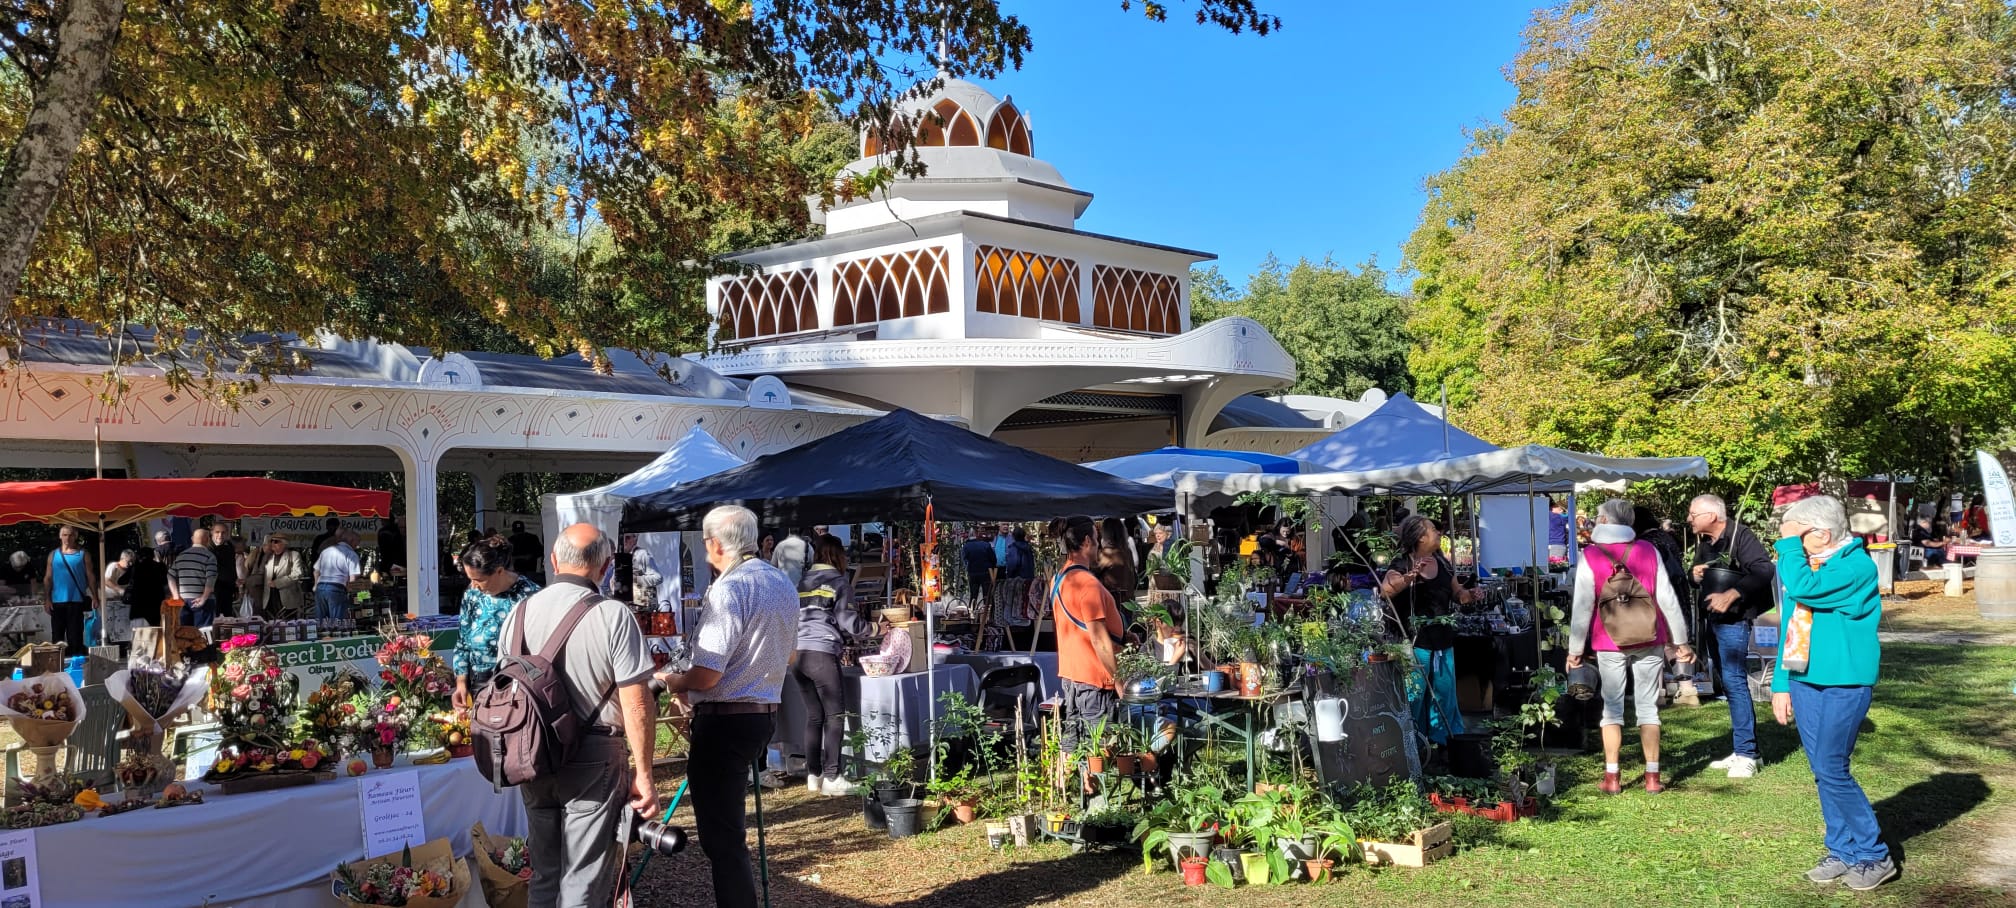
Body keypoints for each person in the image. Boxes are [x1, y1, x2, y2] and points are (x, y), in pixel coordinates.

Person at [507, 524, 657, 908]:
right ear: (606, 567)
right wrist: (644, 773)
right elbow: (637, 704)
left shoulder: (517, 614)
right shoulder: (613, 616)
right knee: (582, 879)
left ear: (554, 561)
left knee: (544, 873)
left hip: (530, 752)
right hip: (593, 755)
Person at [655, 505, 797, 908]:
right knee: (727, 830)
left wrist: (673, 682)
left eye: (704, 543)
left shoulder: (730, 588)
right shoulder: (781, 582)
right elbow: (789, 656)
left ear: (715, 544)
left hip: (726, 720)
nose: (704, 552)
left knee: (722, 837)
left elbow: (707, 675)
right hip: (762, 715)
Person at [1770, 495, 1895, 890]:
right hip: (1805, 679)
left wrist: (1788, 547)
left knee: (1831, 767)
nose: (1787, 542)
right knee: (1823, 770)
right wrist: (1780, 683)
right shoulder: (1811, 564)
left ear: (1821, 534)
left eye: (1795, 536)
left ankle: (1875, 855)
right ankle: (1842, 849)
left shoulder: (1855, 567)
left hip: (1845, 683)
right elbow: (1791, 624)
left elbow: (1805, 590)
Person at [1567, 499, 1693, 794]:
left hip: (1608, 639)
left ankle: (1612, 776)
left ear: (1607, 521)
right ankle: (1652, 777)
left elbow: (1583, 605)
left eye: (1599, 517)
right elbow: (1667, 598)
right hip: (1650, 635)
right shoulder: (1648, 550)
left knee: (1611, 708)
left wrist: (1575, 650)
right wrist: (1681, 641)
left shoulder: (1591, 555)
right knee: (1648, 708)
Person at [1687, 493, 1779, 778]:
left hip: (1734, 621)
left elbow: (1764, 570)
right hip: (1712, 620)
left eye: (1693, 514)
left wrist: (1733, 593)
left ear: (1713, 516)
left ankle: (1747, 754)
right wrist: (1695, 574)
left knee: (1735, 682)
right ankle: (1742, 749)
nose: (1689, 519)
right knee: (1726, 683)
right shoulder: (1706, 543)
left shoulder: (1742, 536)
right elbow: (1694, 578)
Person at [1378, 515, 1476, 748]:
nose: (1439, 532)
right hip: (1415, 642)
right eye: (1434, 529)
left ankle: (1443, 744)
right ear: (1421, 537)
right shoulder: (1402, 563)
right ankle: (1415, 745)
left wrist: (1467, 595)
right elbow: (1386, 590)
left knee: (1445, 695)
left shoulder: (1441, 561)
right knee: (1416, 696)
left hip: (1443, 640)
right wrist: (1410, 577)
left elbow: (1456, 591)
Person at [793, 535, 872, 796]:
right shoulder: (839, 582)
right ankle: (833, 777)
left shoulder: (802, 581)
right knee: (835, 716)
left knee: (814, 716)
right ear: (838, 556)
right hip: (821, 653)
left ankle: (813, 775)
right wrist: (873, 629)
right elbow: (849, 621)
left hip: (797, 655)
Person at [1050, 516, 1124, 758]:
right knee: (1099, 746)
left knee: (1072, 739)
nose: (1100, 545)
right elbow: (1098, 640)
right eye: (1097, 539)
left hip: (1072, 673)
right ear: (1085, 542)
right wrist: (1119, 680)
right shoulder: (1088, 584)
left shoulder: (1058, 579)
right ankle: (1095, 793)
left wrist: (1122, 634)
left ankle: (1065, 788)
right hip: (1095, 677)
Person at [453, 537, 539, 709]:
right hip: (478, 681)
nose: (474, 585)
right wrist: (461, 684)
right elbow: (463, 642)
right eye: (470, 579)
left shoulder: (530, 595)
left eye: (479, 580)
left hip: (516, 684)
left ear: (499, 571)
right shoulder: (472, 595)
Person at [43, 526, 97, 656]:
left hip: (76, 601)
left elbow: (90, 576)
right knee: (57, 636)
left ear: (76, 536)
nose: (67, 538)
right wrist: (47, 599)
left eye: (70, 535)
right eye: (65, 535)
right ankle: (57, 665)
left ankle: (76, 664)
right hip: (57, 601)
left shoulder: (83, 554)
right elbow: (48, 578)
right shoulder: (53, 555)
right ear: (60, 536)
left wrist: (95, 596)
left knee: (75, 636)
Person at [244, 534, 308, 619]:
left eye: (276, 541)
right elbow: (260, 573)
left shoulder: (293, 555)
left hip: (287, 597)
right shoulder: (268, 556)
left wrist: (278, 583)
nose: (273, 544)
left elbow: (297, 573)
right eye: (271, 541)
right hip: (269, 596)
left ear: (285, 543)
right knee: (271, 623)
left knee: (287, 623)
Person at [171, 528, 219, 628]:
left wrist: (176, 596)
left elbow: (170, 575)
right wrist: (203, 598)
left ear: (192, 539)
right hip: (203, 601)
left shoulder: (181, 556)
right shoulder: (210, 556)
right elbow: (210, 579)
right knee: (203, 635)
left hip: (183, 600)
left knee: (184, 634)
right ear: (207, 540)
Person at [313, 529, 363, 621]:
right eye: (357, 543)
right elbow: (353, 578)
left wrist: (315, 586)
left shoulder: (326, 551)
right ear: (352, 541)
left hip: (320, 588)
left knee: (321, 622)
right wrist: (354, 594)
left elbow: (316, 571)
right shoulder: (351, 554)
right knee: (337, 623)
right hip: (336, 589)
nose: (357, 546)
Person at [124, 547, 169, 629]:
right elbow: (165, 582)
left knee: (139, 635)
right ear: (152, 555)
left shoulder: (135, 568)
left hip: (138, 608)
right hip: (156, 606)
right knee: (157, 634)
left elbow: (121, 581)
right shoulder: (160, 567)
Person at [1093, 517, 1136, 601]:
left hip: (1113, 601)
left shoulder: (1106, 554)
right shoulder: (1127, 552)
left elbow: (1091, 575)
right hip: (1128, 601)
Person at [209, 524, 243, 618]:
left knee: (227, 617)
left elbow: (232, 567)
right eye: (217, 532)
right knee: (214, 618)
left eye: (223, 532)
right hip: (212, 589)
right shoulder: (207, 548)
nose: (220, 535)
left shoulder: (229, 547)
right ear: (212, 532)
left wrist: (235, 588)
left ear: (227, 534)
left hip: (227, 589)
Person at [961, 526, 998, 610]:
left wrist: (968, 568)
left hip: (973, 573)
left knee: (973, 595)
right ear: (977, 535)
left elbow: (964, 560)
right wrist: (992, 567)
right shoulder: (985, 545)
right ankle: (988, 614)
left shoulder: (966, 547)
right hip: (986, 573)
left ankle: (972, 613)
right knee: (987, 595)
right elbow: (993, 559)